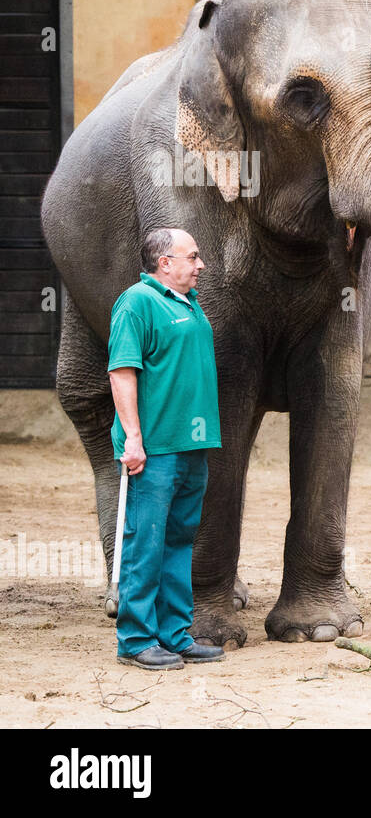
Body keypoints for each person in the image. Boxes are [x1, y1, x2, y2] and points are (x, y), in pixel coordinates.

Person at [108, 227, 225, 670]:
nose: (200, 265)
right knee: (147, 542)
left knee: (179, 540)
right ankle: (135, 640)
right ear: (165, 263)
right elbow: (122, 371)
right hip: (154, 449)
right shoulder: (137, 302)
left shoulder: (189, 303)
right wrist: (133, 439)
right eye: (192, 257)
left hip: (191, 445)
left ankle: (175, 633)